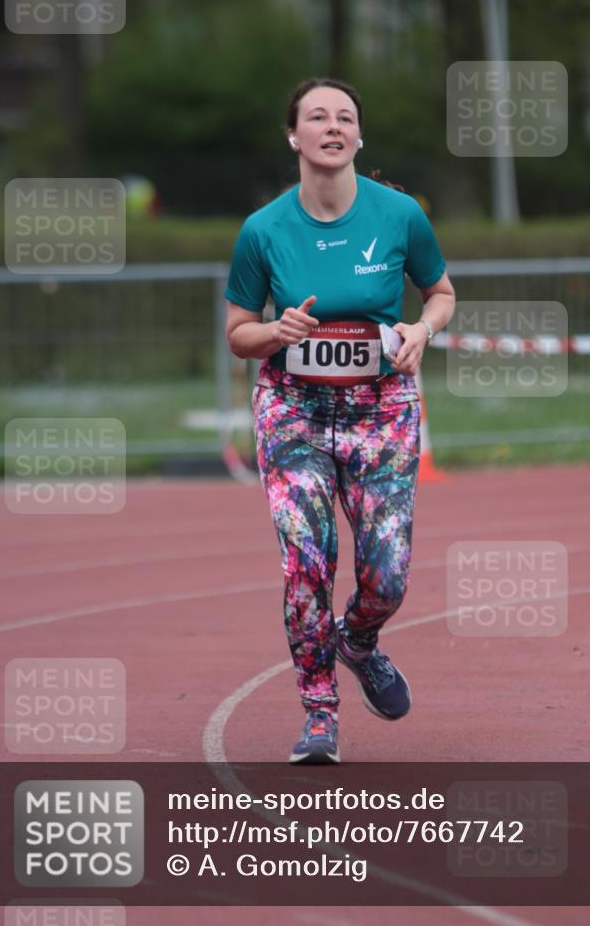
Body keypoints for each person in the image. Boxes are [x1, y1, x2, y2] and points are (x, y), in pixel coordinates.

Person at [225, 77, 455, 763]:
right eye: (316, 116)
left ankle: (357, 641)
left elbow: (439, 292)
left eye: (345, 117)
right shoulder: (262, 229)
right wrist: (274, 332)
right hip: (293, 411)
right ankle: (318, 712)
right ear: (293, 136)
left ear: (359, 137)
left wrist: (421, 329)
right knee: (306, 562)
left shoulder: (399, 216)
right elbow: (237, 331)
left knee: (388, 572)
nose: (332, 126)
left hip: (380, 409)